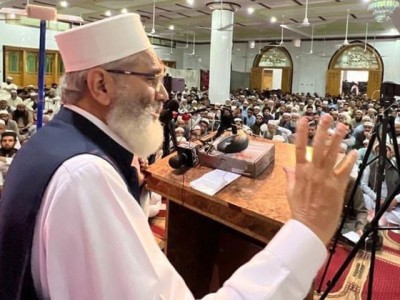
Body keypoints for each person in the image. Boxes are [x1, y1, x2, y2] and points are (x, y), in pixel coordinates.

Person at [0, 14, 357, 300]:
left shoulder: (57, 143)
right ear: (101, 85)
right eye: (152, 79)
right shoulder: (85, 175)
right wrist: (307, 230)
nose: (162, 95)